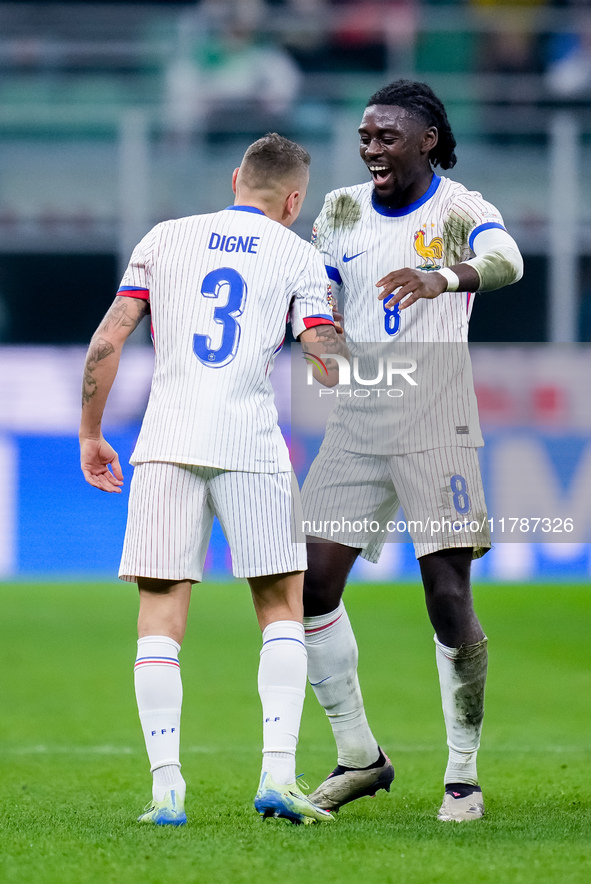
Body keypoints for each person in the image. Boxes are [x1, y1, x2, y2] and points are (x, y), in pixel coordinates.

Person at [79, 133, 342, 827]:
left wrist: (90, 432)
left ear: (234, 179)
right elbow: (324, 357)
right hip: (250, 443)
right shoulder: (298, 254)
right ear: (293, 200)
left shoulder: (164, 237)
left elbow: (109, 337)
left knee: (160, 619)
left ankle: (166, 790)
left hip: (165, 443)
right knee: (281, 607)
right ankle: (278, 778)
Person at [300, 80, 524, 822]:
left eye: (386, 135)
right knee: (308, 588)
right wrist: (323, 338)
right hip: (359, 411)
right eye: (364, 136)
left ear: (426, 139)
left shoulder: (461, 208)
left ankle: (462, 775)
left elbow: (507, 261)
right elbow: (322, 297)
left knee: (445, 596)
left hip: (436, 412)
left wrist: (439, 276)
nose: (371, 148)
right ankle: (359, 758)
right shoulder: (338, 208)